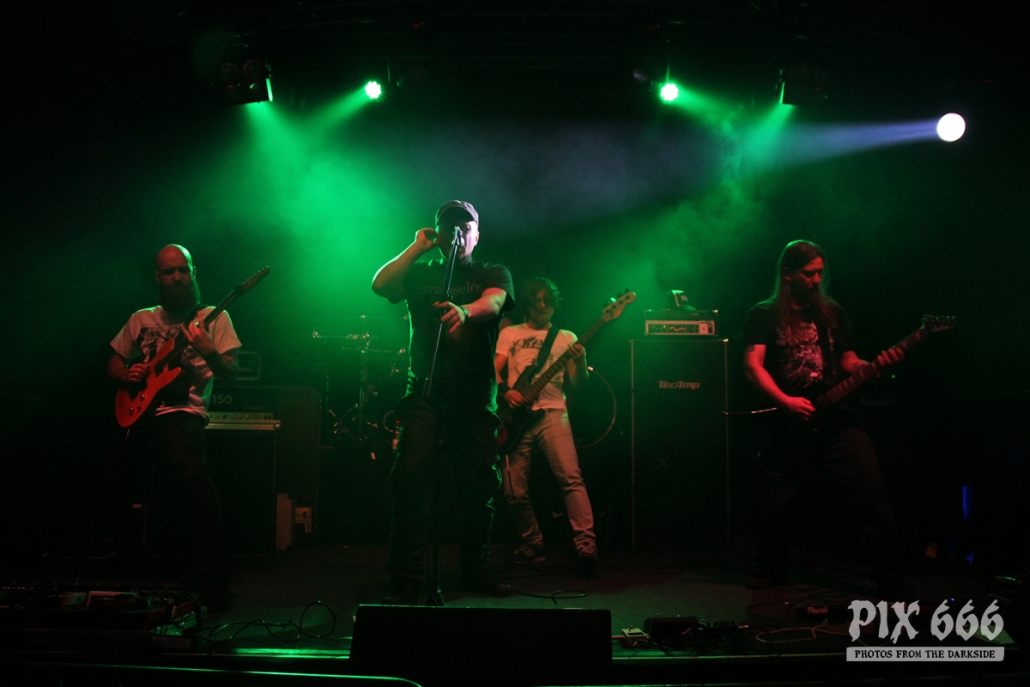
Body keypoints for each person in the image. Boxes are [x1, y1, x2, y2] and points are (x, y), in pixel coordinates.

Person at [742, 239, 912, 600]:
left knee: (872, 489)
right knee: (776, 501)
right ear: (787, 273)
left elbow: (848, 361)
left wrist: (873, 366)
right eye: (809, 273)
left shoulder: (832, 313)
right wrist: (786, 402)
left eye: (820, 272)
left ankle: (890, 576)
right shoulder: (764, 314)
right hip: (788, 421)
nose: (817, 280)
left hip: (836, 419)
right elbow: (753, 366)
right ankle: (771, 567)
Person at [371, 200, 515, 604]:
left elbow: (495, 302)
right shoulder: (420, 273)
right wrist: (416, 247)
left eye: (465, 226)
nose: (458, 232)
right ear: (438, 233)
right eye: (450, 226)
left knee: (478, 490)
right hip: (424, 394)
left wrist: (465, 312)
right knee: (410, 480)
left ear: (477, 235)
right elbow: (381, 286)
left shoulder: (492, 272)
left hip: (473, 399)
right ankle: (407, 576)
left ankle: (477, 569)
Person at [105, 244, 240, 611]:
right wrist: (127, 373)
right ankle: (125, 560)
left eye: (183, 270)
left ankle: (215, 578)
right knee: (110, 473)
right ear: (158, 277)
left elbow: (232, 374)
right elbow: (113, 362)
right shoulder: (141, 319)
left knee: (192, 475)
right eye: (169, 272)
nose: (177, 277)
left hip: (181, 412)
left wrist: (209, 351)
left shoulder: (212, 317)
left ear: (193, 272)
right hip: (138, 414)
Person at [494, 277, 599, 573]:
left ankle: (586, 544)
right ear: (527, 303)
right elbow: (494, 370)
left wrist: (581, 360)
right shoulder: (510, 333)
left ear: (554, 304)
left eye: (547, 301)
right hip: (516, 417)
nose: (542, 306)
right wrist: (506, 391)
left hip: (553, 412)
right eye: (537, 300)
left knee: (570, 478)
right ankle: (532, 542)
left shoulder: (566, 337)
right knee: (513, 490)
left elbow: (578, 383)